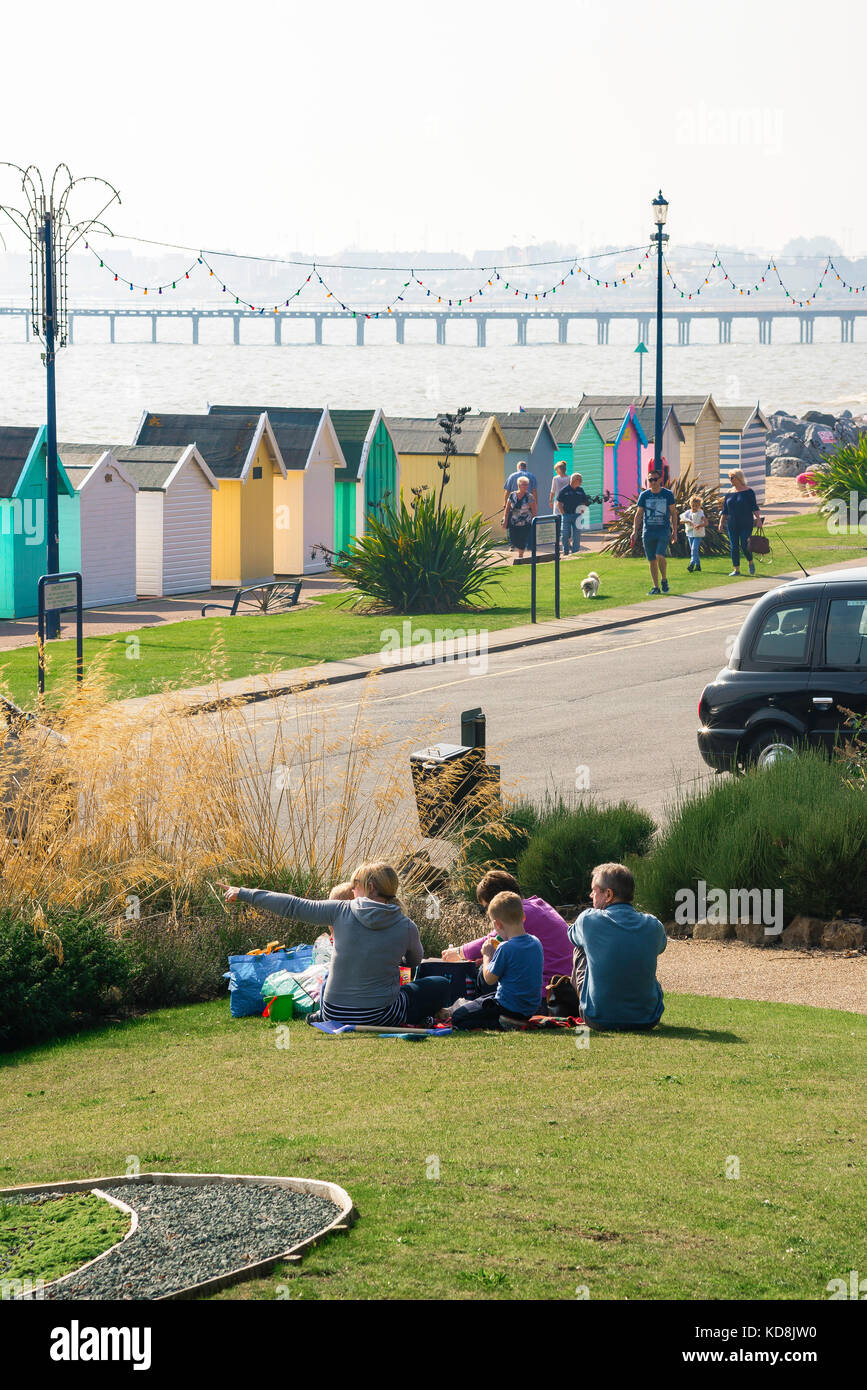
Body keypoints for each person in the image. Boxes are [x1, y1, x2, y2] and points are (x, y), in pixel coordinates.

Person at [217, 861, 452, 1027]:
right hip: (380, 1016)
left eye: (355, 885)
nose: (352, 890)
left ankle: (320, 1015)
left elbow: (292, 906)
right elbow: (413, 962)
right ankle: (426, 1017)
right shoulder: (406, 925)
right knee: (440, 984)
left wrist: (244, 893)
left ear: (370, 888)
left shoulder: (340, 910)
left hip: (333, 1012)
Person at [443, 870, 572, 1007]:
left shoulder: (524, 914)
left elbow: (490, 941)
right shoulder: (536, 906)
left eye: (488, 907)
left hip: (546, 991)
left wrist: (459, 952)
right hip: (563, 986)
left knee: (484, 972)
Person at [568, 863, 666, 1031]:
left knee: (581, 947)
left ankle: (577, 1006)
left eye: (594, 890)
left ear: (608, 894)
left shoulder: (588, 921)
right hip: (648, 1019)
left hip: (598, 1019)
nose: (591, 895)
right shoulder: (653, 925)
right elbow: (660, 947)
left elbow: (571, 935)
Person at [449, 891, 544, 1031]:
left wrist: (487, 956)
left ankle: (501, 1023)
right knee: (483, 1000)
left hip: (508, 1007)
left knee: (458, 1017)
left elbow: (489, 979)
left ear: (498, 924)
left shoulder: (505, 948)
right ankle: (511, 1020)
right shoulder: (536, 942)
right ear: (523, 917)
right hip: (529, 1009)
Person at [631, 469, 677, 595]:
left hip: (663, 530)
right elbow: (639, 514)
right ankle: (656, 587)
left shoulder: (667, 494)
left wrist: (674, 531)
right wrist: (634, 531)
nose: (653, 482)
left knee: (659, 555)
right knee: (652, 560)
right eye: (650, 480)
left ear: (660, 480)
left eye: (655, 479)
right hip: (648, 532)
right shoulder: (644, 495)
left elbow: (673, 512)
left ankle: (664, 579)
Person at [721, 469, 761, 577]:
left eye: (732, 477)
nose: (730, 480)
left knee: (744, 545)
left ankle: (750, 561)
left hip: (746, 522)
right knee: (734, 546)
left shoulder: (748, 491)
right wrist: (721, 523)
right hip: (732, 523)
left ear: (738, 478)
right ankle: (736, 569)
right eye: (729, 478)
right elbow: (725, 510)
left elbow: (754, 507)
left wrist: (758, 519)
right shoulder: (729, 493)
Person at [502, 474, 537, 559]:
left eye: (526, 484)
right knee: (513, 539)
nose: (525, 486)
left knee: (522, 539)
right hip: (513, 521)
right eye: (523, 484)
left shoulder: (530, 496)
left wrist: (533, 521)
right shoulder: (512, 495)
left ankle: (520, 555)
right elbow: (507, 509)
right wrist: (505, 521)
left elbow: (534, 510)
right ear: (518, 485)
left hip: (526, 522)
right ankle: (520, 550)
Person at [557, 472, 590, 556]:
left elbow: (586, 502)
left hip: (577, 516)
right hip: (567, 515)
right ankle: (566, 551)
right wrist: (563, 513)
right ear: (574, 480)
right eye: (580, 480)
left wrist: (583, 509)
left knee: (577, 535)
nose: (581, 482)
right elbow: (559, 502)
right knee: (565, 535)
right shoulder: (564, 490)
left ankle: (575, 552)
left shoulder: (580, 490)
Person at [680, 493, 707, 573]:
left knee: (694, 549)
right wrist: (687, 521)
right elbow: (681, 521)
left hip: (698, 534)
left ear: (699, 506)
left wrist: (700, 525)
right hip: (690, 533)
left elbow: (706, 523)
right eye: (693, 505)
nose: (694, 507)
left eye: (697, 506)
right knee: (694, 550)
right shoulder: (687, 513)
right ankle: (698, 565)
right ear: (690, 504)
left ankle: (691, 564)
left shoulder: (700, 513)